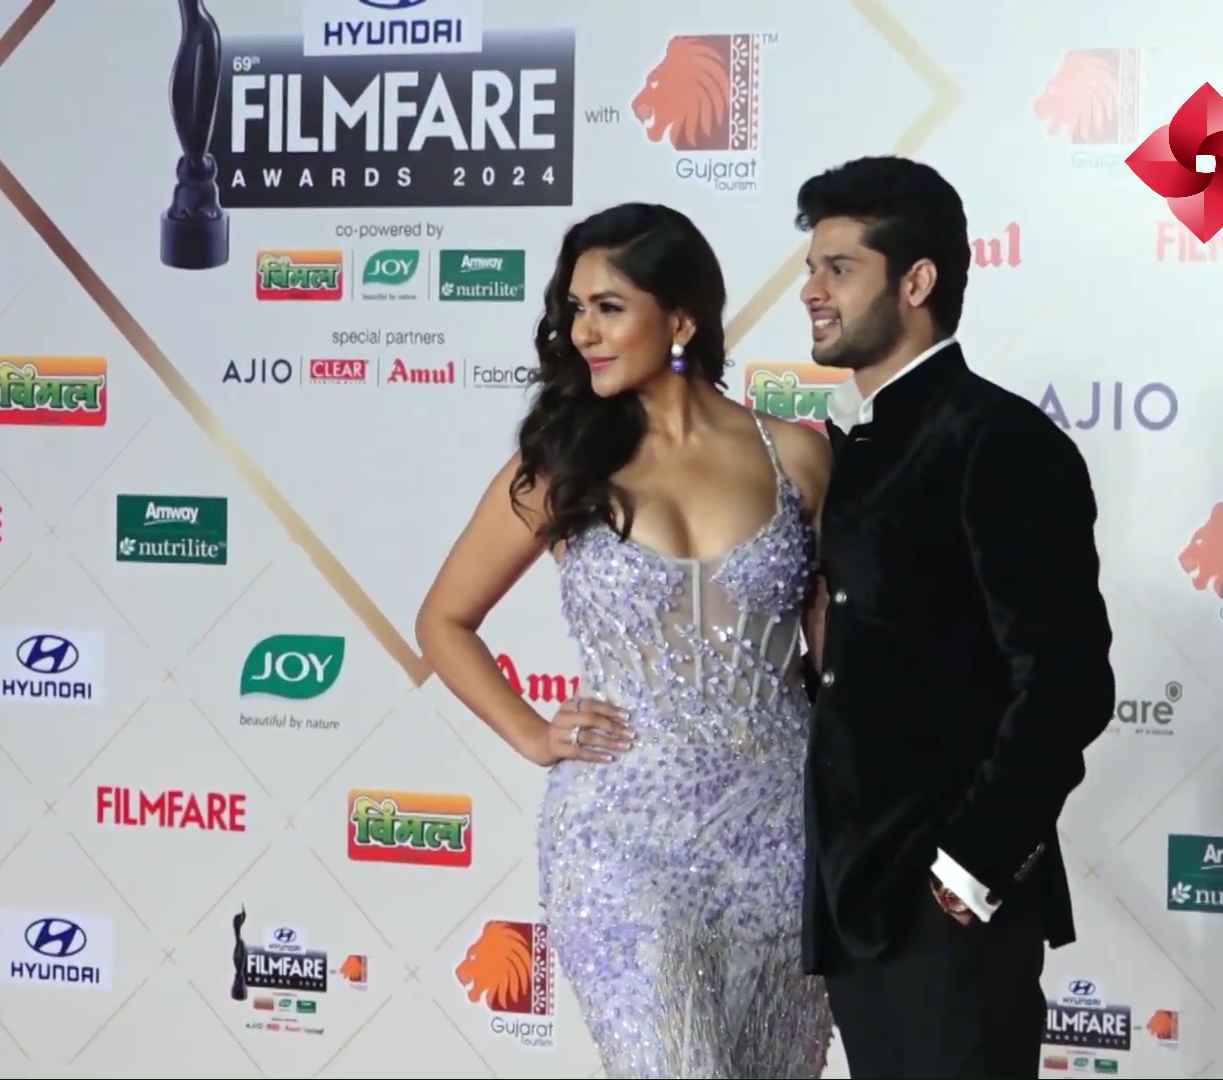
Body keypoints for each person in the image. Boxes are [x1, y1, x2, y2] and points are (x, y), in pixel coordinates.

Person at [415, 202, 835, 1079]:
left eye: (608, 307)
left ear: (680, 318)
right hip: (620, 840)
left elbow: (840, 660)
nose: (582, 333)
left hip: (783, 838)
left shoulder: (797, 456)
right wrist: (533, 733)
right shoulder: (560, 466)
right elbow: (443, 621)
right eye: (574, 309)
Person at [793, 156, 1117, 1077]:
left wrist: (971, 863)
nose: (811, 292)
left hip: (952, 911)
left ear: (917, 281)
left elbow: (1066, 682)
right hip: (857, 906)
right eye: (812, 268)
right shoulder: (846, 451)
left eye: (838, 269)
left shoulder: (998, 441)